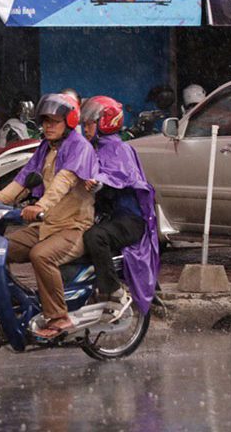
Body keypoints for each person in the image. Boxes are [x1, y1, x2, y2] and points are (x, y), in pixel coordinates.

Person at [0, 93, 98, 338]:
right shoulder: (45, 148)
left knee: (41, 255)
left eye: (54, 121)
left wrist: (40, 206)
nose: (48, 126)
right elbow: (20, 183)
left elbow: (63, 182)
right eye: (44, 121)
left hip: (73, 227)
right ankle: (15, 305)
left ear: (69, 121)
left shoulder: (80, 148)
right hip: (45, 224)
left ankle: (59, 317)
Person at [80, 96, 159, 315]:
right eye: (83, 124)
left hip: (129, 219)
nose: (85, 129)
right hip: (110, 216)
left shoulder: (119, 149)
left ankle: (112, 290)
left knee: (95, 237)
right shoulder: (91, 148)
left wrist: (100, 182)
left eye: (89, 124)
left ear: (105, 123)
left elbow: (120, 176)